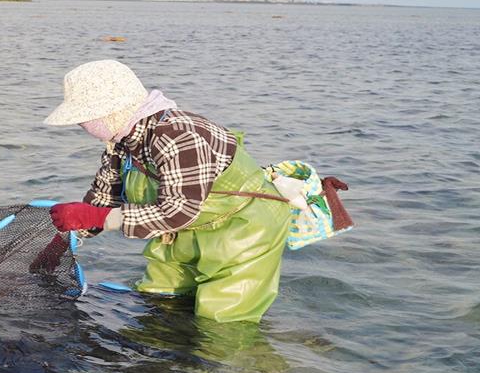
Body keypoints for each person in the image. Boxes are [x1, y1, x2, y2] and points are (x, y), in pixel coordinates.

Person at [42, 60, 298, 323]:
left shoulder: (179, 136)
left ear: (113, 110)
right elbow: (102, 201)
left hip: (243, 229)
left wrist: (99, 218)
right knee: (157, 306)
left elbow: (179, 210)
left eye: (84, 117)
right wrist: (62, 242)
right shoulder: (120, 144)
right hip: (183, 232)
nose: (81, 124)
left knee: (220, 323)